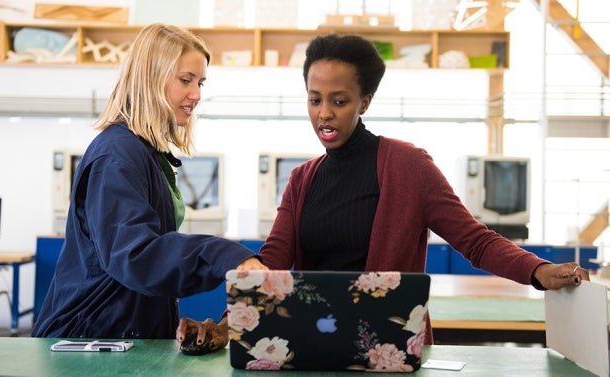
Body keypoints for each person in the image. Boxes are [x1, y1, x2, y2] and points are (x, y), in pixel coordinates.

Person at [177, 33, 590, 349]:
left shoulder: (409, 166)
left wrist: (536, 271)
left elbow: (475, 240)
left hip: (389, 350)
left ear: (365, 101)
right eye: (314, 99)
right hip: (307, 343)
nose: (324, 113)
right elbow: (269, 267)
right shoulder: (302, 180)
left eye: (339, 100)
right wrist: (223, 326)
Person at [32, 23, 266, 341]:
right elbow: (137, 255)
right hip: (91, 337)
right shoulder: (117, 156)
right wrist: (223, 255)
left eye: (200, 83)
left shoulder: (144, 152)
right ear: (151, 77)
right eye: (186, 80)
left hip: (122, 330)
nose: (196, 94)